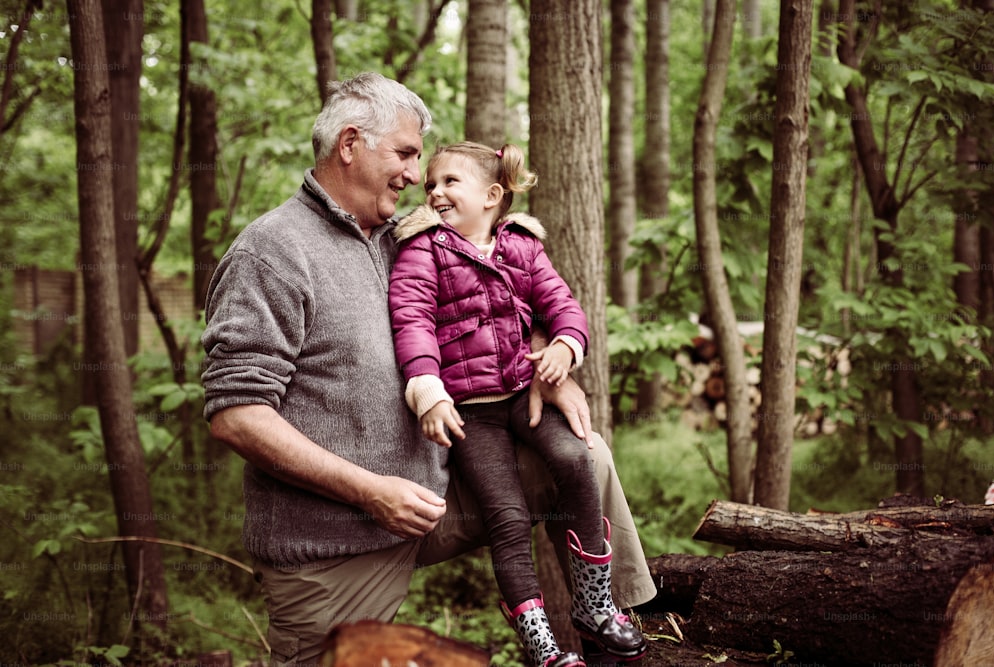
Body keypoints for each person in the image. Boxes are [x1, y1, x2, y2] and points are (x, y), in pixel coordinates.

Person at [200, 72, 656, 667]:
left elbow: (504, 289)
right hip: (334, 539)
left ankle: (612, 627)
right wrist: (370, 492)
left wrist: (550, 356)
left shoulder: (412, 237)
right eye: (406, 154)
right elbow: (235, 416)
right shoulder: (273, 253)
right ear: (349, 143)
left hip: (439, 494)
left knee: (581, 451)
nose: (417, 176)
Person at [388, 141, 647, 667]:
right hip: (473, 412)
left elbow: (563, 304)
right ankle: (542, 645)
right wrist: (428, 392)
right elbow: (412, 324)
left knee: (577, 458)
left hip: (524, 397)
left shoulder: (523, 247)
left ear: (492, 195)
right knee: (504, 516)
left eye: (449, 182)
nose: (434, 191)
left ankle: (595, 606)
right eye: (430, 184)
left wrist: (565, 346)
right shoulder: (422, 251)